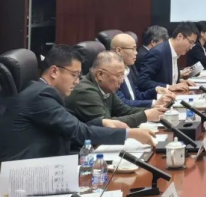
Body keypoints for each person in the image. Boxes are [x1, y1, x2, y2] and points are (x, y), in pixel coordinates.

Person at [0, 45, 155, 161]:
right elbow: (78, 132)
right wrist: (129, 134)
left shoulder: (42, 91)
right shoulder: (40, 96)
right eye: (74, 74)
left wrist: (102, 122)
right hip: (30, 174)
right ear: (54, 71)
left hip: (49, 161)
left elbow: (72, 125)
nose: (77, 81)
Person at [66, 51, 167, 128]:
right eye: (119, 75)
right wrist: (144, 116)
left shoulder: (105, 87)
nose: (121, 81)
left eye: (123, 76)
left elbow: (124, 110)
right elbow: (108, 124)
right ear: (100, 75)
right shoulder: (85, 91)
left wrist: (155, 111)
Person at [112, 33, 176, 108]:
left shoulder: (128, 68)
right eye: (133, 49)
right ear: (119, 51)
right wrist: (154, 103)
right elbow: (124, 104)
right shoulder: (112, 74)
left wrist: (155, 90)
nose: (136, 53)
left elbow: (137, 96)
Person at [138, 22, 199, 93]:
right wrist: (168, 87)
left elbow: (165, 78)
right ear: (180, 36)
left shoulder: (176, 51)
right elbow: (142, 81)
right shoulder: (158, 53)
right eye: (191, 42)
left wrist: (180, 81)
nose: (191, 47)